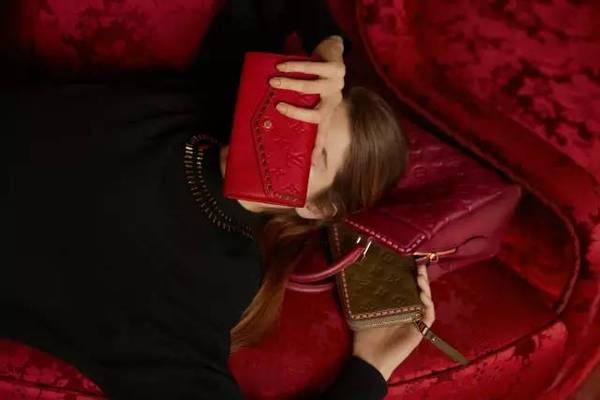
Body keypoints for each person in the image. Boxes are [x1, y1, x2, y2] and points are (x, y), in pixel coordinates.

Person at [1, 0, 436, 398]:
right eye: (304, 112)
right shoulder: (226, 93)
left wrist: (370, 372)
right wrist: (329, 46)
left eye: (314, 153)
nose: (285, 131)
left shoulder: (214, 281)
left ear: (315, 206)